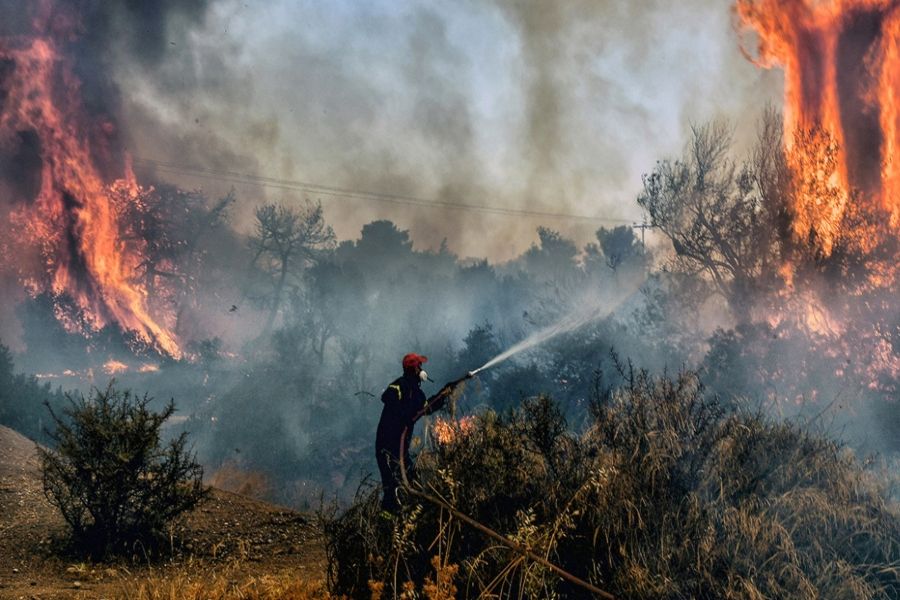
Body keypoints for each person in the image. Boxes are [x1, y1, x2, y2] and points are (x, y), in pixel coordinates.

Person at [375, 352, 445, 514]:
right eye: (419, 366)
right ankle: (387, 524)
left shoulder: (418, 394)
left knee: (411, 478)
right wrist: (404, 416)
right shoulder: (399, 385)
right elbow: (387, 397)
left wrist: (443, 395)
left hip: (401, 449)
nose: (422, 369)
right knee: (391, 485)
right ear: (413, 369)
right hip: (386, 446)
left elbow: (427, 408)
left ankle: (409, 516)